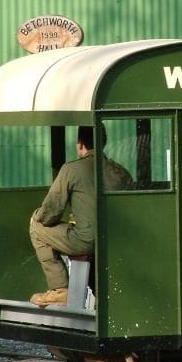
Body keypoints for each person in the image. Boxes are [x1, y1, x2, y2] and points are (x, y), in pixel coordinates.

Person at [29, 126, 133, 306]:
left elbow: (50, 212)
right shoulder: (121, 172)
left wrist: (37, 216)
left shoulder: (71, 169)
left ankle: (60, 289)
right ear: (103, 143)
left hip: (87, 240)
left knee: (36, 227)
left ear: (80, 145)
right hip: (117, 240)